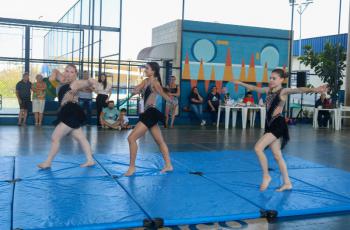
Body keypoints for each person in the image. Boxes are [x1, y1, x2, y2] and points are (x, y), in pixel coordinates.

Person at [234, 68, 327, 192]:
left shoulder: (283, 91)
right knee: (277, 156)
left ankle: (266, 176)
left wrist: (315, 89)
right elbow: (254, 88)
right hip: (269, 125)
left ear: (282, 79)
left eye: (274, 78)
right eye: (270, 78)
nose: (271, 80)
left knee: (258, 148)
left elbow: (299, 89)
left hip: (277, 124)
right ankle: (287, 183)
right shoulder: (268, 90)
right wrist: (240, 83)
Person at [38, 64, 98, 169]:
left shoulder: (76, 83)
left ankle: (48, 162)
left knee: (55, 137)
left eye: (72, 72)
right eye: (67, 71)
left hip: (71, 112)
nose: (69, 73)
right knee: (81, 138)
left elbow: (88, 82)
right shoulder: (64, 80)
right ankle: (90, 160)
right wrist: (55, 73)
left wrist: (91, 82)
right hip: (67, 112)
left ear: (76, 74)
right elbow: (55, 73)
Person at [125, 62, 174, 176]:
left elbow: (163, 95)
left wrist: (172, 102)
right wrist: (135, 90)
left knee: (131, 138)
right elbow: (137, 88)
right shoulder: (146, 81)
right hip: (147, 113)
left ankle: (132, 168)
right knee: (159, 141)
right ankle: (168, 165)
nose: (145, 70)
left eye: (147, 68)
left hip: (151, 113)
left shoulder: (155, 83)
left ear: (153, 71)